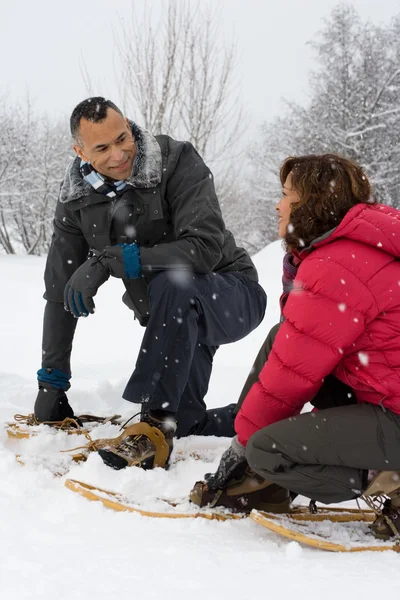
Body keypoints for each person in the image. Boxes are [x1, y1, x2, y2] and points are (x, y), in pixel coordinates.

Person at [34, 97, 267, 470]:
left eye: (122, 138)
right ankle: (260, 418)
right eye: (102, 148)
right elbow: (62, 291)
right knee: (187, 420)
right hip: (174, 321)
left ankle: (152, 428)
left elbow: (204, 249)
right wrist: (52, 383)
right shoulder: (76, 201)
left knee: (172, 283)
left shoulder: (176, 161)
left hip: (231, 293)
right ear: (79, 151)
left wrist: (117, 259)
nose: (118, 154)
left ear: (128, 124)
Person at [191, 153, 400, 540]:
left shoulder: (336, 266)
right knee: (277, 339)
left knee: (267, 449)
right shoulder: (351, 250)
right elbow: (291, 353)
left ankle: (391, 480)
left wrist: (243, 449)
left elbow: (291, 375)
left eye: (286, 194)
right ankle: (267, 483)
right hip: (383, 397)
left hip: (393, 414)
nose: (278, 204)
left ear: (312, 204)